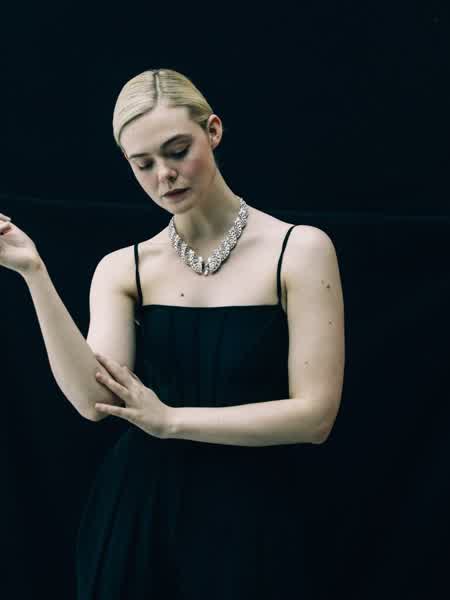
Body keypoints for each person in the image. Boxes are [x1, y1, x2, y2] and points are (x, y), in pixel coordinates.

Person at [0, 68, 345, 599]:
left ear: (214, 131)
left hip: (252, 514)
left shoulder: (298, 251)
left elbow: (315, 417)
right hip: (140, 513)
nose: (165, 175)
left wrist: (170, 420)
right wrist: (33, 272)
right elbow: (94, 402)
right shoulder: (124, 268)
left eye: (178, 150)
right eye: (143, 164)